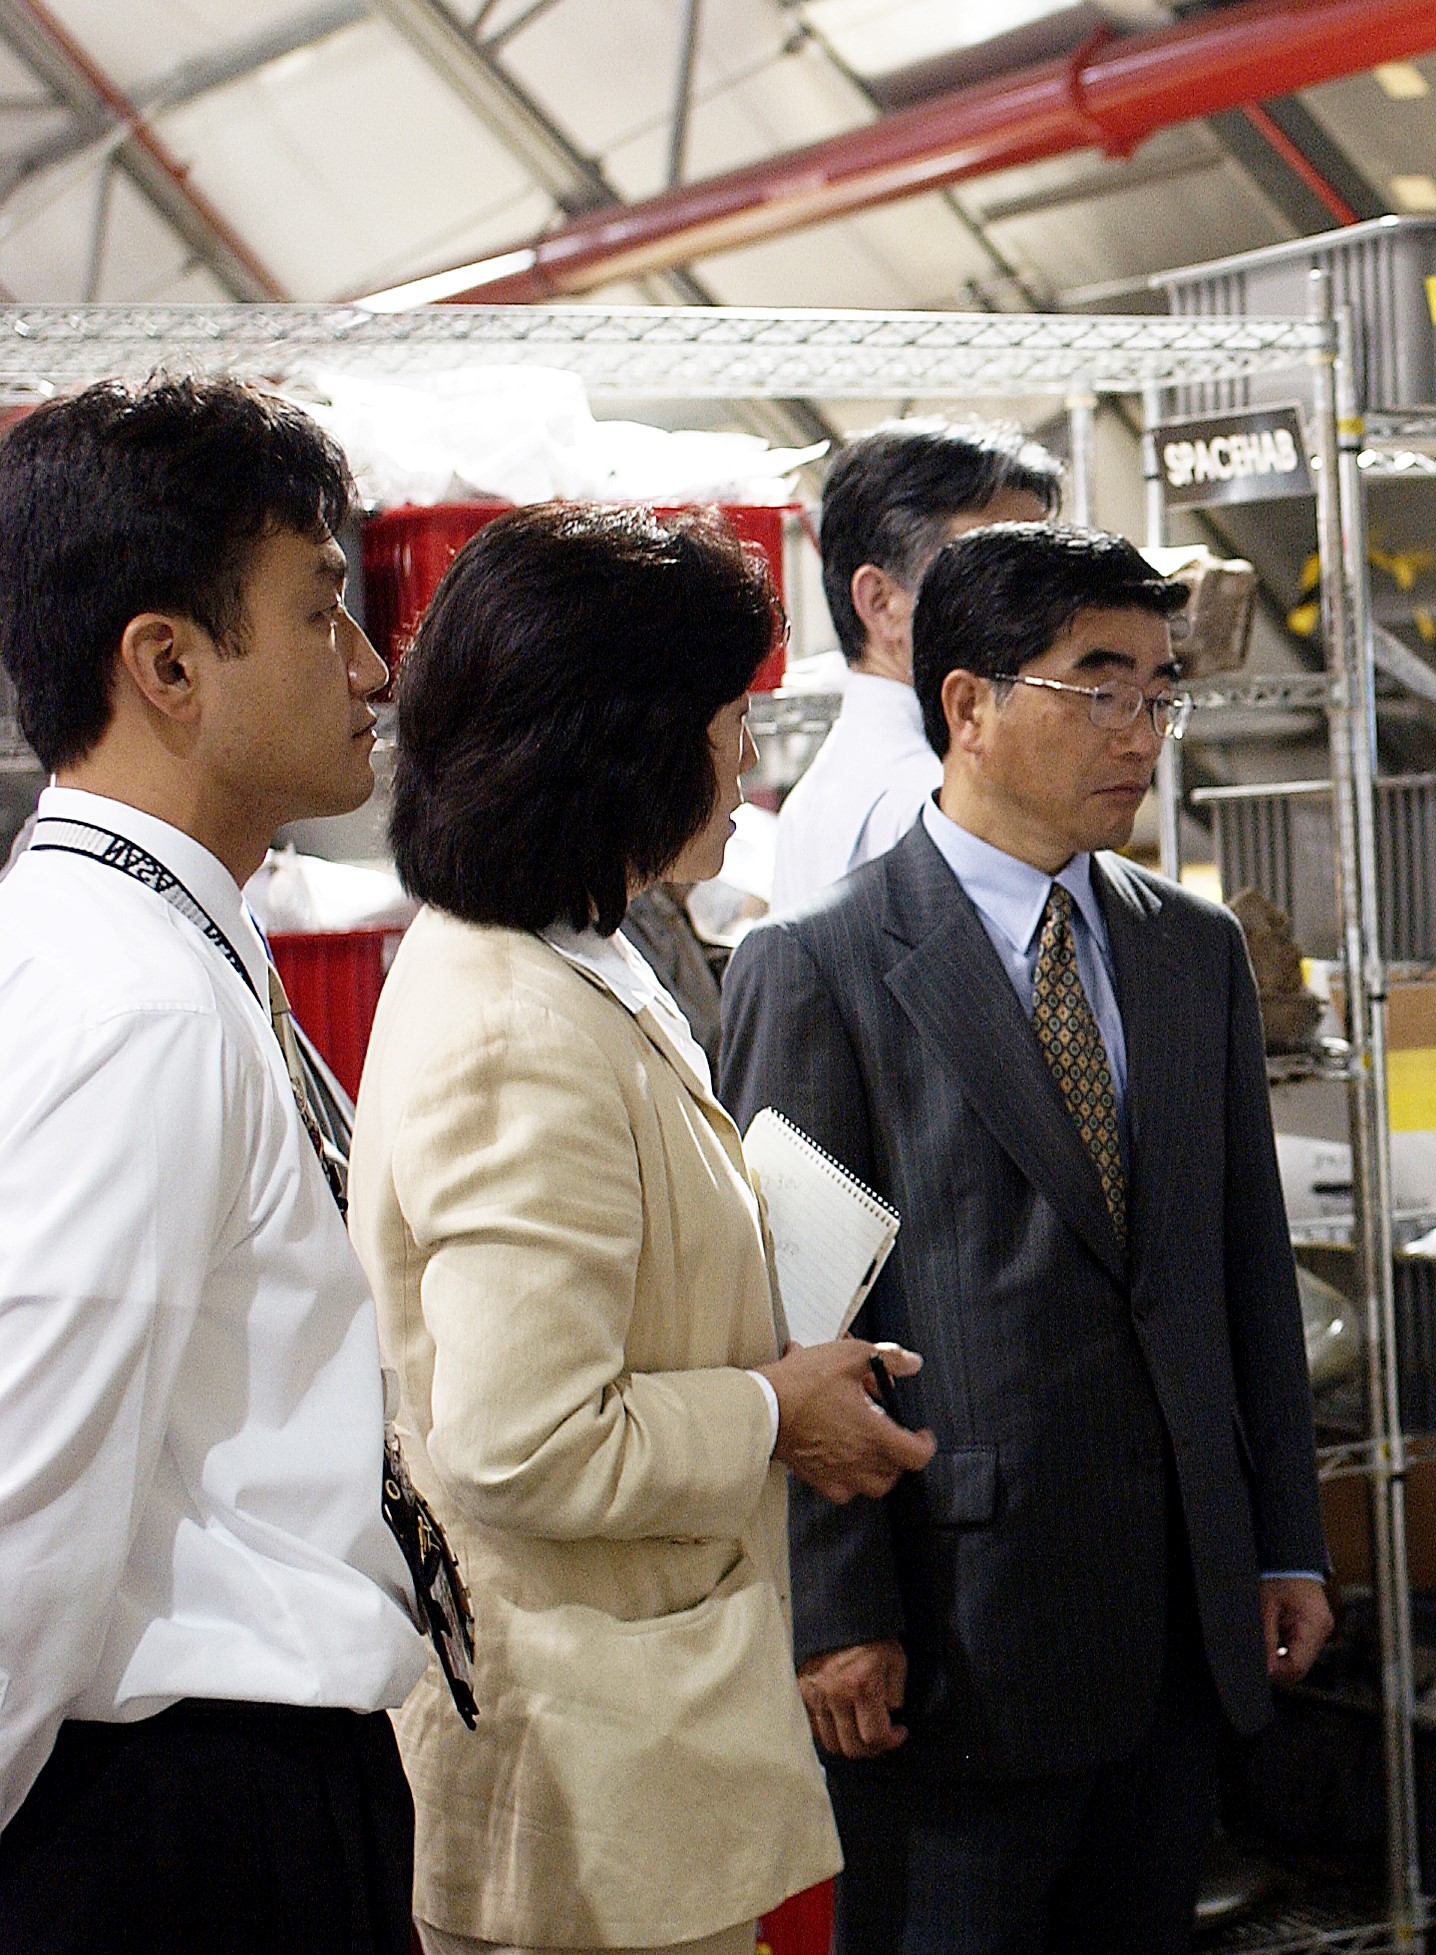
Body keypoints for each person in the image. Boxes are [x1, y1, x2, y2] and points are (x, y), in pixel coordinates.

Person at [721, 522, 1333, 1955]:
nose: (1142, 730)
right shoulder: (817, 966)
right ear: (970, 703)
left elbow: (1247, 1266)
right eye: (1098, 684)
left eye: (1162, 689)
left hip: (1178, 1617)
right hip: (955, 1627)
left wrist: (1280, 1539)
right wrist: (834, 1608)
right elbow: (796, 1319)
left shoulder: (1192, 951)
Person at [354, 504, 936, 1955]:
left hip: (636, 1749)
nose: (747, 763)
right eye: (729, 720)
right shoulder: (512, 1023)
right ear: (622, 740)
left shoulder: (573, 946)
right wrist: (771, 1410)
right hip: (580, 1779)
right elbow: (521, 1439)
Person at [0, 377, 436, 1951]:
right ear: (168, 662)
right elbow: (25, 1501)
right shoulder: (137, 1002)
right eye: (322, 612)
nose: (372, 667)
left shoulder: (163, 934)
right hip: (174, 1816)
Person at [768, 420, 1060, 914]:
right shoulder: (938, 805)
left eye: (1044, 574)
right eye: (998, 576)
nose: (1043, 607)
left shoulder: (820, 795)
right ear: (880, 602)